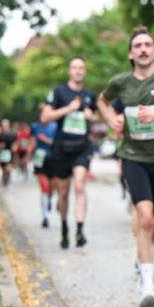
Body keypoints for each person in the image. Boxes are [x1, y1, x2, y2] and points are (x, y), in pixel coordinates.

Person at [97, 26, 154, 307]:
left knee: (152, 222)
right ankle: (148, 286)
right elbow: (102, 100)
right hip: (132, 156)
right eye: (138, 46)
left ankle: (142, 260)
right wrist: (113, 119)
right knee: (145, 216)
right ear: (130, 54)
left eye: (148, 44)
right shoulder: (121, 82)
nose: (144, 49)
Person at [42, 56, 98, 249]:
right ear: (69, 71)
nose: (78, 71)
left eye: (81, 67)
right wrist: (68, 109)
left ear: (85, 71)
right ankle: (65, 226)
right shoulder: (59, 93)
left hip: (82, 147)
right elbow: (45, 117)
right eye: (74, 67)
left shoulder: (90, 95)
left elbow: (100, 118)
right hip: (61, 148)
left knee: (80, 186)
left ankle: (80, 230)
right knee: (63, 192)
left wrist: (92, 116)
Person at [30, 114, 57, 228]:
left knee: (52, 187)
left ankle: (50, 197)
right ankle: (45, 216)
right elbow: (32, 140)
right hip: (39, 158)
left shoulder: (55, 127)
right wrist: (30, 151)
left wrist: (46, 140)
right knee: (44, 187)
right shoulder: (35, 126)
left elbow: (57, 143)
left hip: (53, 158)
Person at [0, 119, 16, 187]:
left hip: (10, 153)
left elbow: (16, 141)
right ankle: (4, 179)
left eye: (6, 126)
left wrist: (15, 146)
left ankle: (7, 177)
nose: (5, 127)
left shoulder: (12, 134)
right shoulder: (0, 135)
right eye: (4, 126)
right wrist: (0, 145)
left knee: (8, 168)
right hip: (3, 153)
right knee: (4, 169)